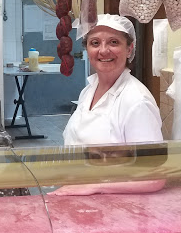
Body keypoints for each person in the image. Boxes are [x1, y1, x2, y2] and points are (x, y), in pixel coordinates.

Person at [51, 13, 165, 196]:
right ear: (87, 49)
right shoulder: (88, 91)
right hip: (80, 201)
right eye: (95, 43)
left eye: (114, 42)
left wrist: (96, 186)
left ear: (129, 49)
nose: (103, 51)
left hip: (116, 209)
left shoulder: (136, 101)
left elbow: (154, 177)